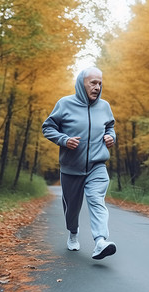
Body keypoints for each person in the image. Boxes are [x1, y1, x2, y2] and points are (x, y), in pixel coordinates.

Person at [42, 67, 116, 260]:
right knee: (72, 208)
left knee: (96, 199)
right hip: (71, 167)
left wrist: (110, 137)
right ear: (82, 83)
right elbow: (48, 127)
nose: (97, 87)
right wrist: (64, 140)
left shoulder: (104, 106)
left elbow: (110, 126)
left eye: (100, 83)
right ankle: (73, 233)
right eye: (93, 83)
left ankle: (100, 241)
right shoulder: (65, 104)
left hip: (97, 165)